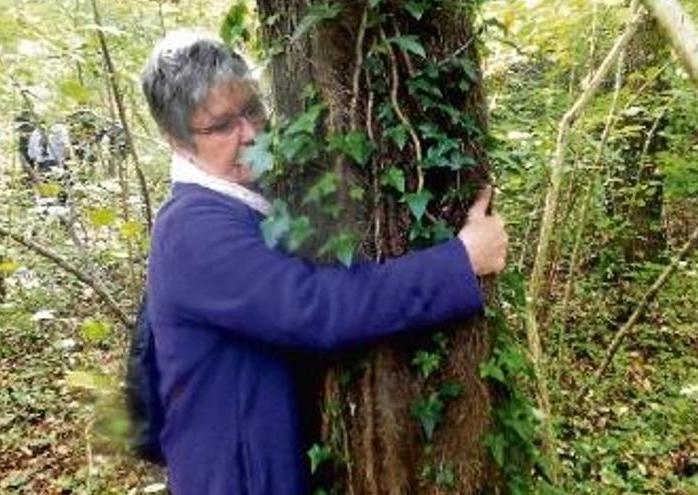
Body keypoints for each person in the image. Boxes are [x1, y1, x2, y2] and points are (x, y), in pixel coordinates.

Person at [142, 30, 508, 495]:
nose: (252, 133)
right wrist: (459, 263)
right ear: (177, 141)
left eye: (253, 109)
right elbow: (313, 307)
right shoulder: (192, 229)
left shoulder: (245, 196)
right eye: (221, 126)